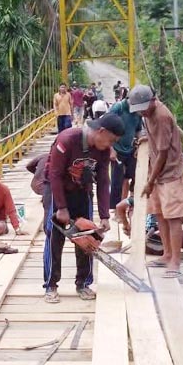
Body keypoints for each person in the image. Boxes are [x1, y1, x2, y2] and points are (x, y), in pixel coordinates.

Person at [43, 112, 125, 303]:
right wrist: (62, 208)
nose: (111, 145)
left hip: (82, 190)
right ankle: (51, 285)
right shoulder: (67, 140)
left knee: (87, 236)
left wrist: (104, 215)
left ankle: (83, 283)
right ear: (101, 131)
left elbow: (104, 180)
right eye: (111, 140)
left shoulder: (103, 150)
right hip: (58, 190)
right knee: (55, 238)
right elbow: (54, 175)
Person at [129, 84, 183, 278]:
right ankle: (167, 253)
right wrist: (143, 139)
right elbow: (151, 138)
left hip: (169, 172)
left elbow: (164, 152)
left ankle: (175, 262)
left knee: (173, 217)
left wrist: (150, 181)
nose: (141, 113)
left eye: (143, 109)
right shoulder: (147, 116)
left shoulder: (162, 116)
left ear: (153, 101)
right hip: (155, 170)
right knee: (159, 214)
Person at [107, 93, 145, 208]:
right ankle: (114, 208)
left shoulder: (137, 113)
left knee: (131, 176)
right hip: (117, 149)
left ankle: (126, 204)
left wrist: (140, 144)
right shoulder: (118, 108)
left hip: (130, 148)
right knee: (116, 181)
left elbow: (138, 130)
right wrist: (111, 149)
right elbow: (106, 128)